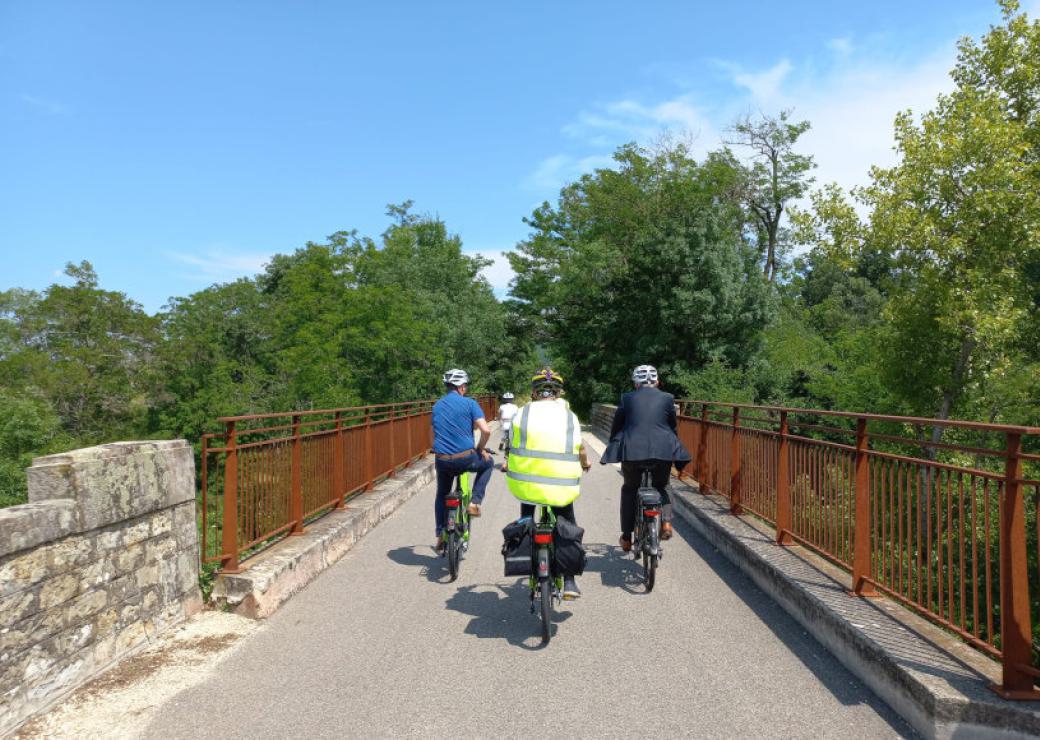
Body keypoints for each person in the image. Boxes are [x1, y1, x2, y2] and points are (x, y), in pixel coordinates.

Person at [505, 368, 591, 599]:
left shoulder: (521, 414)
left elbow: (511, 446)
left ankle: (525, 547)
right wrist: (585, 463)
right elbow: (579, 448)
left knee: (527, 514)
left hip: (526, 484)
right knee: (567, 524)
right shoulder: (569, 415)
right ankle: (570, 581)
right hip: (561, 484)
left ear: (534, 392)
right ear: (558, 392)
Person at [600, 364, 691, 552]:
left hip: (632, 452)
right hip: (662, 451)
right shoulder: (667, 398)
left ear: (636, 383)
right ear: (657, 382)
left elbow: (617, 426)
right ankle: (666, 523)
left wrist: (613, 445)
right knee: (663, 485)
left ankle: (626, 538)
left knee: (630, 489)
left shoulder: (627, 398)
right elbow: (672, 427)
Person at [431, 369, 494, 552]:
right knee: (488, 464)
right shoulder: (470, 404)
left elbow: (431, 435)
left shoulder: (437, 406)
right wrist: (480, 449)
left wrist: (438, 450)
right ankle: (474, 502)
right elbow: (486, 430)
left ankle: (440, 533)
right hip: (465, 459)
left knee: (442, 493)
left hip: (442, 460)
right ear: (461, 387)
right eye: (465, 386)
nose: (465, 389)